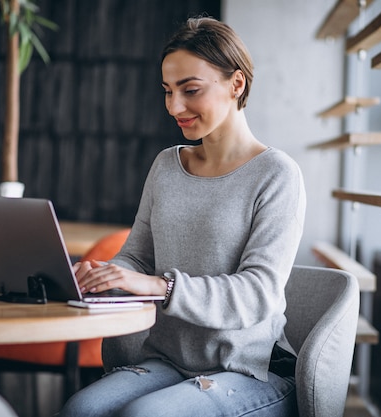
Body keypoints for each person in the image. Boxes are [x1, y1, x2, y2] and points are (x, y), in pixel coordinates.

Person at [59, 16, 306, 417]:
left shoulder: (277, 174)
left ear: (236, 84)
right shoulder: (166, 165)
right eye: (167, 91)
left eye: (190, 90)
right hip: (168, 361)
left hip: (248, 370)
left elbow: (259, 292)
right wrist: (105, 276)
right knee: (81, 409)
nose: (174, 107)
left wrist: (160, 286)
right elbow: (136, 258)